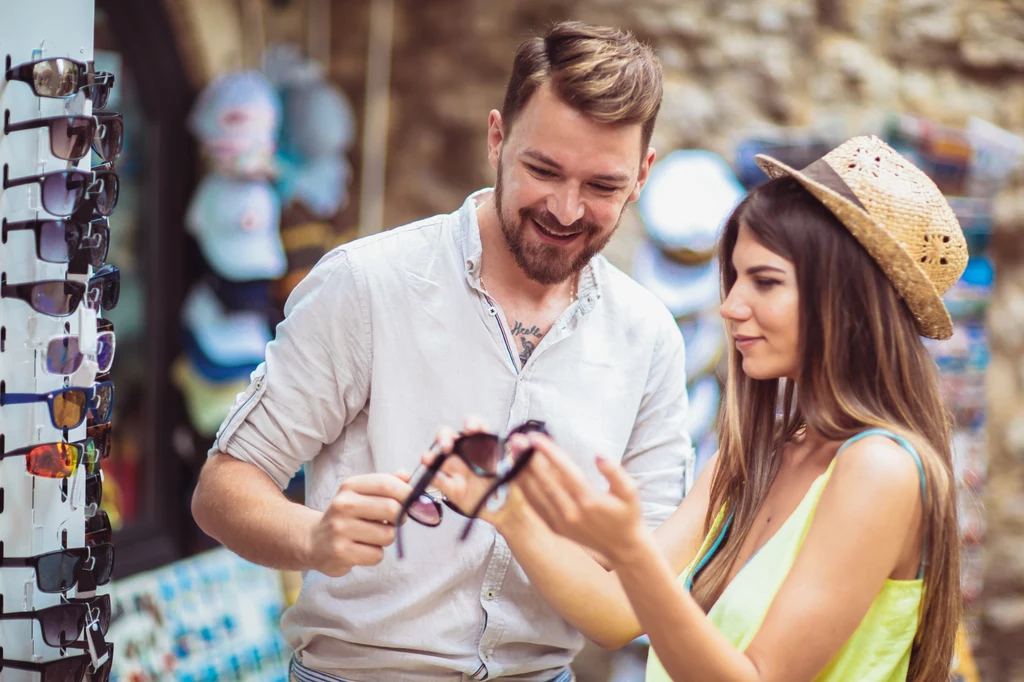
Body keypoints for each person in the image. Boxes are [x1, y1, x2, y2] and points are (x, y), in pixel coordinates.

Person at [191, 21, 694, 682]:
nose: (568, 210)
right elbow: (221, 493)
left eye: (602, 186)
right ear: (496, 138)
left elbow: (631, 604)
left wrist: (515, 519)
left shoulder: (650, 336)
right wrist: (313, 538)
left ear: (641, 176)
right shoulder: (366, 284)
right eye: (543, 170)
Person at [430, 135, 966, 682]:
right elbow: (617, 614)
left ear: (846, 297)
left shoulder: (880, 469)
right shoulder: (760, 452)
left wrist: (631, 553)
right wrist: (509, 512)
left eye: (765, 282)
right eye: (735, 279)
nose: (731, 307)